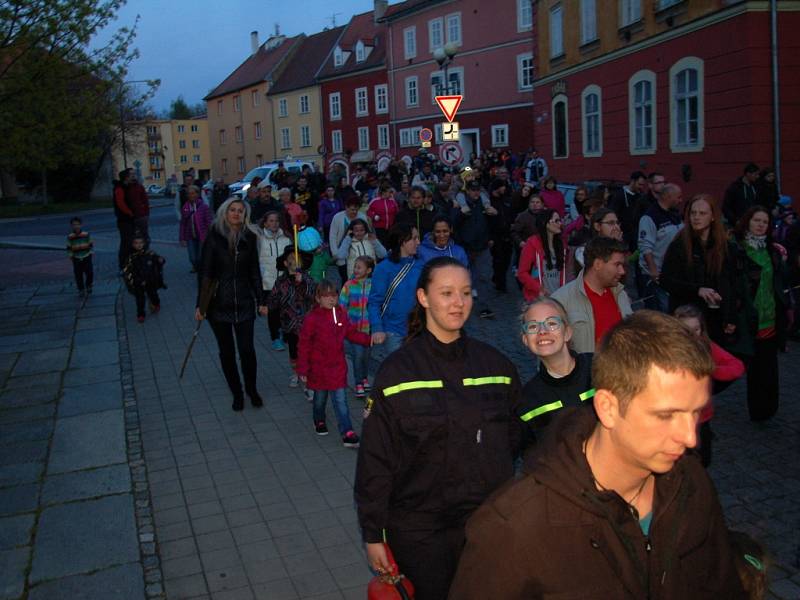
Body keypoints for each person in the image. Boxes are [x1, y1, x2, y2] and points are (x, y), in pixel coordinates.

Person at [449, 310, 747, 599]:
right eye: (666, 415)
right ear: (607, 407)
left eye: (694, 413)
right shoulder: (512, 528)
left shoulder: (692, 482)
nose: (690, 438)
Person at [355, 257, 522, 600]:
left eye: (465, 292)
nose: (458, 302)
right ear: (423, 297)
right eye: (446, 293)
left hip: (485, 524)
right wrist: (374, 534)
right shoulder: (397, 373)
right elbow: (375, 461)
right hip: (419, 530)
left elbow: (515, 440)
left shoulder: (497, 366)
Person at [195, 198, 266, 411]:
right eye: (232, 210)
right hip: (219, 305)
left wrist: (261, 300)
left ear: (245, 214)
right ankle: (236, 393)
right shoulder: (214, 237)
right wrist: (201, 305)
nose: (236, 214)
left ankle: (251, 389)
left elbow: (254, 271)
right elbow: (205, 273)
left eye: (240, 211)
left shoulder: (250, 237)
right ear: (225, 213)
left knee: (247, 351)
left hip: (244, 302)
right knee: (226, 352)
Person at [731, 206, 789, 421]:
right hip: (749, 318)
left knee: (770, 368)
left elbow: (780, 280)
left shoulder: (772, 250)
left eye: (765, 222)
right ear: (748, 222)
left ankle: (770, 408)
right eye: (756, 220)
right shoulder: (737, 249)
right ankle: (757, 409)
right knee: (754, 370)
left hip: (771, 317)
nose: (760, 225)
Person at [298, 280, 371, 447]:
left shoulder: (341, 314)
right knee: (320, 399)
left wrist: (369, 340)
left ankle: (347, 431)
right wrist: (303, 368)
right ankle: (319, 419)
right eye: (326, 296)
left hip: (337, 367)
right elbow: (304, 344)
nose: (331, 299)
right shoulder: (312, 319)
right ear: (318, 298)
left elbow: (351, 333)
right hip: (318, 369)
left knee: (340, 401)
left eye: (334, 295)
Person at [674, 304, 745, 467]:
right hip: (675, 420)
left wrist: (711, 369)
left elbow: (736, 366)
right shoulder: (667, 352)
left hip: (702, 419)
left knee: (702, 463)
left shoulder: (706, 347)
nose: (692, 336)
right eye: (686, 331)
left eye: (696, 330)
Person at [660, 194, 737, 343]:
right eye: (693, 213)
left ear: (713, 217)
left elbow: (731, 284)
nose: (696, 217)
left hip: (714, 318)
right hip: (686, 318)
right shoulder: (679, 245)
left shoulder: (726, 248)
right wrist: (697, 289)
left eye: (702, 213)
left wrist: (730, 316)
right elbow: (666, 280)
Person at [517, 297, 594, 435]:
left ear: (567, 333)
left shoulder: (600, 367)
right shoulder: (528, 400)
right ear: (525, 340)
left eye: (551, 323)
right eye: (533, 326)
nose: (542, 331)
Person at [551, 236, 633, 353]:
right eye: (617, 265)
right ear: (598, 264)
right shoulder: (560, 301)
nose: (622, 271)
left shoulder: (621, 295)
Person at [367, 223, 422, 358]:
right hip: (393, 331)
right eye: (414, 238)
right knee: (399, 372)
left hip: (417, 330)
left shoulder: (421, 266)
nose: (418, 242)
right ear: (402, 241)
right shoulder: (384, 268)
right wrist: (377, 328)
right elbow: (374, 301)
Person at [268, 245, 317, 394]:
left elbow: (313, 294)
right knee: (294, 352)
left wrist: (303, 282)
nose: (295, 262)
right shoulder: (281, 281)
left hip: (306, 323)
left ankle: (308, 377)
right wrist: (268, 305)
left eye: (298, 259)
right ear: (285, 263)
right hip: (289, 323)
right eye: (291, 259)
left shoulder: (307, 278)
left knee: (307, 351)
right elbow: (274, 299)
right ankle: (297, 372)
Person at [637, 182, 683, 312]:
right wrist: (653, 271)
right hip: (656, 276)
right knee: (661, 311)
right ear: (668, 197)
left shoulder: (675, 214)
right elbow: (645, 246)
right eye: (678, 197)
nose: (681, 200)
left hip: (672, 272)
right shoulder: (649, 217)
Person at [339, 256, 375, 399]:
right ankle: (358, 382)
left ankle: (364, 378)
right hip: (353, 329)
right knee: (357, 356)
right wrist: (342, 323)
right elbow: (342, 305)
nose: (356, 269)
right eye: (355, 266)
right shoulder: (349, 285)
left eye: (359, 267)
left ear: (369, 270)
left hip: (369, 328)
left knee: (366, 356)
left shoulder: (373, 285)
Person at [257, 211, 292, 351]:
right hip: (268, 282)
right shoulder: (259, 240)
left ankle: (285, 333)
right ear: (265, 223)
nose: (274, 224)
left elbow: (292, 260)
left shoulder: (286, 239)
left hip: (284, 281)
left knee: (286, 309)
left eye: (276, 221)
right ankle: (275, 337)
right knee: (273, 312)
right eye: (271, 221)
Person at [517, 209, 568, 301]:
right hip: (539, 299)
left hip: (559, 298)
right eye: (556, 220)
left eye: (560, 220)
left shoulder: (562, 245)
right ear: (545, 223)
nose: (560, 223)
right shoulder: (532, 244)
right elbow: (522, 273)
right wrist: (539, 289)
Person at [124, 235, 166, 323]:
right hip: (138, 282)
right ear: (132, 244)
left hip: (150, 280)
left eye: (140, 243)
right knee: (140, 299)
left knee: (153, 294)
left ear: (144, 243)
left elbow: (158, 259)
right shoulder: (131, 257)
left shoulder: (149, 253)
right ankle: (141, 314)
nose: (139, 245)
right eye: (136, 243)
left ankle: (156, 303)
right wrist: (136, 280)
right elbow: (129, 271)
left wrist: (160, 260)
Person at [329, 195, 369, 284]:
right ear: (346, 207)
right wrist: (335, 253)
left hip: (358, 253)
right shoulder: (337, 217)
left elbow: (367, 234)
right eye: (352, 209)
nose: (354, 212)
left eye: (356, 209)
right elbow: (332, 236)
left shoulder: (362, 217)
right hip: (342, 253)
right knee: (345, 278)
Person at [488, 178, 516, 292]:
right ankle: (500, 283)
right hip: (496, 236)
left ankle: (498, 279)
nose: (504, 188)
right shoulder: (489, 201)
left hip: (507, 234)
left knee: (507, 260)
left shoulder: (506, 200)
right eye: (502, 186)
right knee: (498, 260)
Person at [610, 170, 648, 253]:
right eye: (639, 184)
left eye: (643, 185)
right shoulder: (619, 195)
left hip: (637, 235)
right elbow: (613, 213)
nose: (641, 187)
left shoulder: (641, 196)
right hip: (624, 234)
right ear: (633, 181)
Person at [179, 185, 213, 273]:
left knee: (200, 256)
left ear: (197, 194)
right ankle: (196, 266)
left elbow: (209, 222)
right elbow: (183, 223)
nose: (191, 195)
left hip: (202, 235)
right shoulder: (185, 207)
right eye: (189, 193)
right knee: (192, 257)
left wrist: (210, 235)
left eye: (193, 193)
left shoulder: (203, 207)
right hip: (190, 236)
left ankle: (200, 270)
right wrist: (182, 238)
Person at [723, 163, 760, 227]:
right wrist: (735, 221)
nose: (757, 176)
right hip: (738, 223)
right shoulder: (735, 188)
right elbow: (726, 207)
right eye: (755, 174)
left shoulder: (756, 187)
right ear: (748, 174)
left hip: (753, 222)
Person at [113, 169, 135, 271]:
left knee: (128, 242)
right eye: (131, 175)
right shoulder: (120, 188)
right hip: (124, 220)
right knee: (126, 243)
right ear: (126, 177)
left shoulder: (126, 187)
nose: (133, 176)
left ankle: (128, 264)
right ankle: (123, 265)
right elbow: (120, 203)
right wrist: (130, 213)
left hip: (128, 219)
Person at [66, 217, 94, 297]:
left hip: (86, 256)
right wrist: (71, 256)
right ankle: (81, 289)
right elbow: (68, 247)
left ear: (81, 225)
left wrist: (91, 252)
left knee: (89, 272)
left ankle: (89, 284)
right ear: (71, 226)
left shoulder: (86, 234)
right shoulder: (70, 237)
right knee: (78, 274)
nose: (76, 226)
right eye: (74, 225)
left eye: (78, 224)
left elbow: (91, 244)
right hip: (76, 257)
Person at [366, 182, 399, 247]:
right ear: (384, 192)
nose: (391, 194)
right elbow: (368, 211)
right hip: (379, 229)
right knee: (382, 245)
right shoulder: (375, 201)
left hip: (391, 228)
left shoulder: (392, 201)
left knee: (391, 244)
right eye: (389, 192)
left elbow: (397, 212)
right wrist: (374, 216)